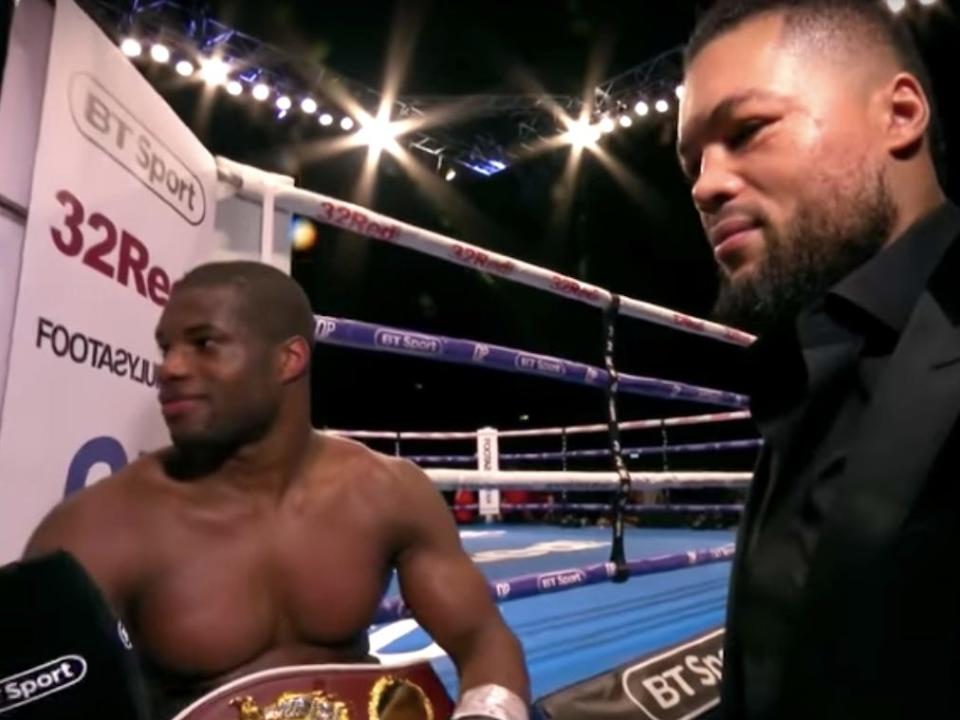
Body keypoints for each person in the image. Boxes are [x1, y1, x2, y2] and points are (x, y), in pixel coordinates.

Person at [22, 261, 530, 720]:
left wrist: (487, 715)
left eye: (203, 343)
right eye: (166, 347)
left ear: (288, 360)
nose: (170, 368)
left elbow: (482, 637)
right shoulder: (96, 528)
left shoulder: (384, 491)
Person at [678, 1, 960, 718]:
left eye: (747, 131)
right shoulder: (801, 368)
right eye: (692, 160)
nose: (705, 185)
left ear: (900, 114)